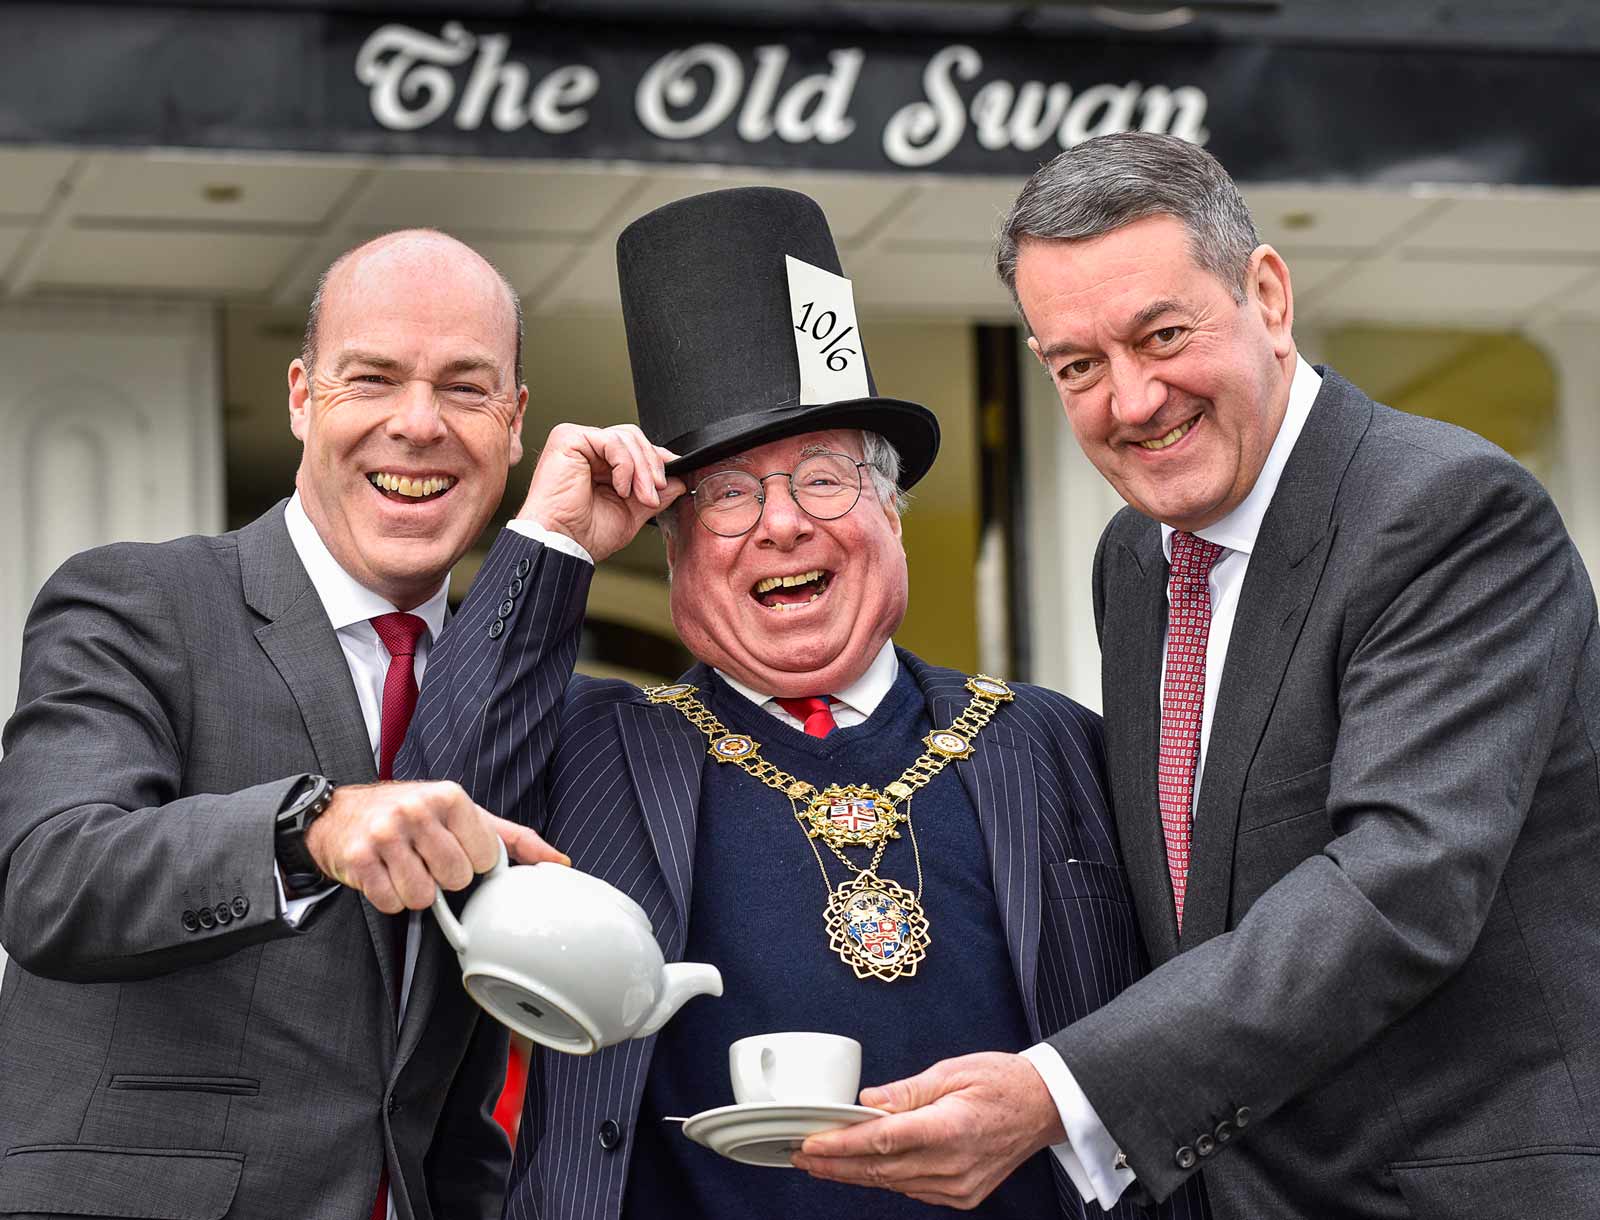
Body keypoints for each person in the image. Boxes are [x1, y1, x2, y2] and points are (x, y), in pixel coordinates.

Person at [804, 131, 1600, 1217]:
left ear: (1266, 295)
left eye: (1161, 334)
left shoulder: (1447, 509)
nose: (1130, 400)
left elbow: (1396, 884)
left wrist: (1055, 1088)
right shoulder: (1136, 558)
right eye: (1077, 365)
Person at [405, 186, 1210, 1220]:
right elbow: (434, 794)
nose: (780, 525)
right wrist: (553, 540)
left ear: (892, 517)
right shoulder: (596, 745)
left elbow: (1182, 1010)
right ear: (676, 548)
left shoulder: (1052, 741)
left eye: (825, 479)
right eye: (727, 496)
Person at [0, 229, 570, 1219]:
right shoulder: (138, 596)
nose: (419, 423)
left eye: (466, 388)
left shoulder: (496, 685)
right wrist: (308, 827)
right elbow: (51, 880)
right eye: (374, 378)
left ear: (515, 421)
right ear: (303, 394)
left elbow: (445, 1080)